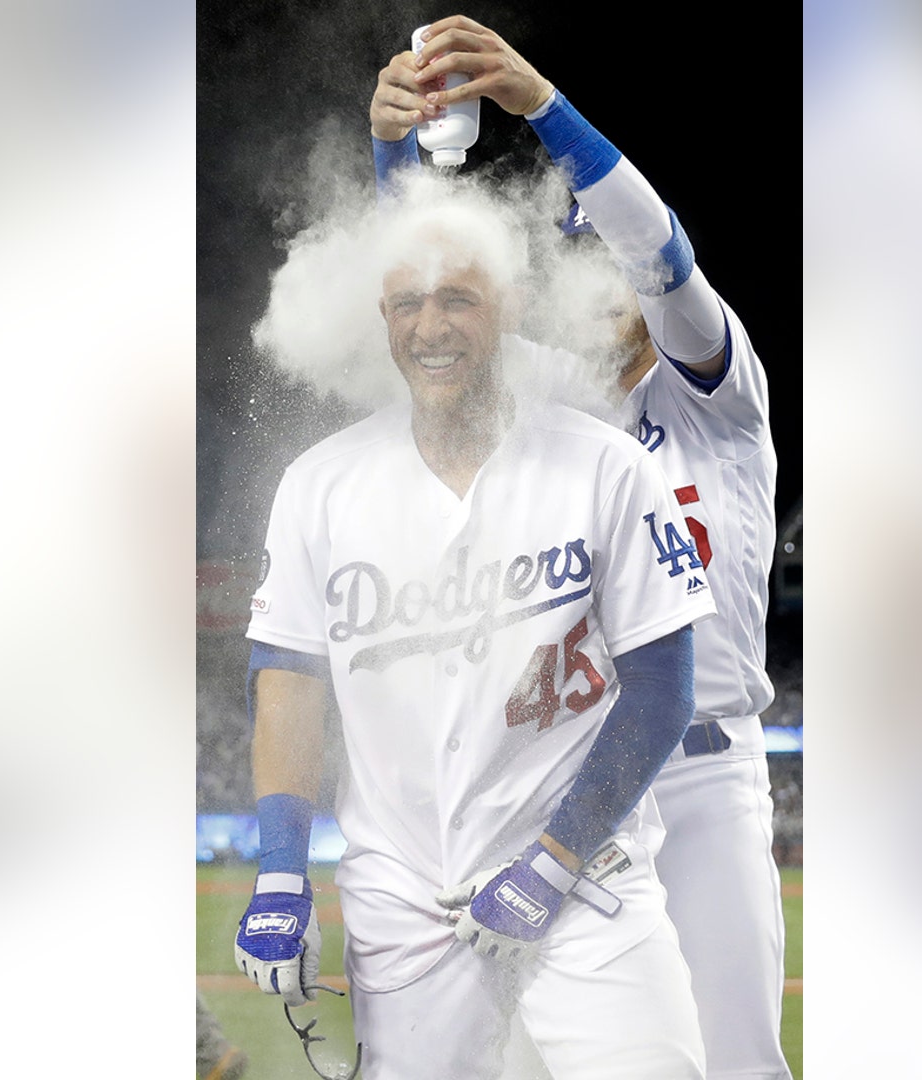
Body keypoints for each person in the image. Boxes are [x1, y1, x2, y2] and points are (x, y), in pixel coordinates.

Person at [370, 17, 789, 1079]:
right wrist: (392, 153)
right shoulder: (544, 410)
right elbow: (426, 316)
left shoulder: (718, 394)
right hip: (572, 783)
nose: (607, 279)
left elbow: (665, 256)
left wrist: (542, 107)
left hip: (700, 773)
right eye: (580, 259)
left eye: (615, 259)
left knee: (736, 1059)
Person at [232, 186, 717, 1078]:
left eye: (458, 298)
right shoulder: (319, 485)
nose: (431, 327)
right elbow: (290, 683)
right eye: (408, 302)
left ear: (511, 306)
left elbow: (661, 690)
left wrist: (554, 863)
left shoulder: (603, 466)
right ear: (382, 316)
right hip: (402, 897)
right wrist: (277, 870)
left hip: (589, 881)